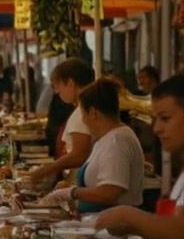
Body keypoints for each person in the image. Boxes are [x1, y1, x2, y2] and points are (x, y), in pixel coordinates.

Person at [94, 74, 184, 239]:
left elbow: (180, 232)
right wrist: (137, 227)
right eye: (155, 118)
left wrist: (128, 215)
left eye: (165, 118)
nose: (155, 128)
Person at [41, 77, 144, 215]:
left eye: (82, 114)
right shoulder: (105, 138)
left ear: (93, 113)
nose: (83, 120)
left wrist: (72, 193)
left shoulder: (117, 140)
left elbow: (109, 193)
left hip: (112, 226)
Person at [30, 58, 95, 187]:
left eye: (58, 87)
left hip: (84, 183)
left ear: (70, 83)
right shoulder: (82, 109)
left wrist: (49, 168)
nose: (57, 92)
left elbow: (80, 155)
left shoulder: (84, 113)